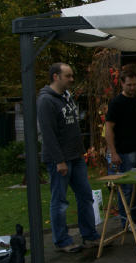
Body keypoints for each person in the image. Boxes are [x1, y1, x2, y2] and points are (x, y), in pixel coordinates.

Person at [37, 63, 100, 252]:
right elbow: (48, 134)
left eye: (72, 76)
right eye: (68, 76)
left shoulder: (66, 96)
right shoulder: (46, 100)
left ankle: (90, 236)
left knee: (85, 196)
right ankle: (62, 241)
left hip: (76, 156)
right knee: (60, 202)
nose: (72, 79)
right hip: (59, 159)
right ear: (56, 76)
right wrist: (59, 161)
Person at [105, 68, 136, 228]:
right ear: (122, 84)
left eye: (134, 85)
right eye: (129, 85)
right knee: (127, 188)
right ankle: (127, 222)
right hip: (124, 152)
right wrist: (113, 152)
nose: (132, 88)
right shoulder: (116, 103)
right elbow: (108, 128)